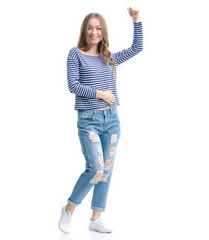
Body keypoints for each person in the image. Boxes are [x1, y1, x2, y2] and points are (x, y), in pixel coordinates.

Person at [58, 7, 143, 234]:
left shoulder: (109, 58)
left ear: (103, 32)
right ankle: (68, 209)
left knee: (106, 170)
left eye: (98, 28)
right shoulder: (74, 54)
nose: (94, 32)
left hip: (112, 119)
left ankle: (96, 217)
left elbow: (138, 47)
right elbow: (73, 86)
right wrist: (101, 94)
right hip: (89, 121)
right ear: (84, 30)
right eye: (90, 28)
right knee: (95, 169)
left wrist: (136, 20)